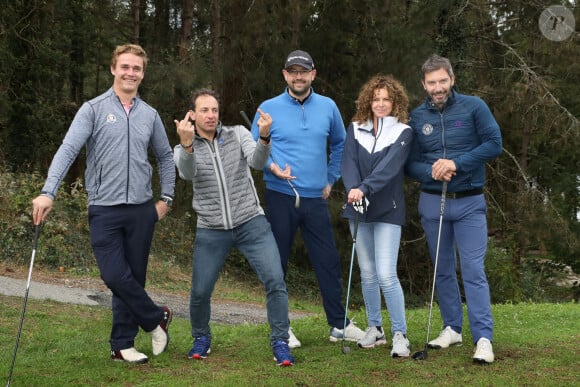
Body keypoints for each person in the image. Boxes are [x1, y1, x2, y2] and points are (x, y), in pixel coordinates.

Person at [32, 44, 175, 364]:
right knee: (114, 276)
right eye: (125, 67)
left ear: (142, 73)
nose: (130, 73)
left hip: (141, 210)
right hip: (104, 209)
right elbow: (68, 149)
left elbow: (166, 157)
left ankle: (122, 344)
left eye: (136, 68)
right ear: (113, 69)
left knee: (133, 279)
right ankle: (156, 318)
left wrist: (166, 198)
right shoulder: (93, 109)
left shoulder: (150, 115)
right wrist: (48, 192)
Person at [251, 50, 364, 348]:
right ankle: (282, 327)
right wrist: (273, 167)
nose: (298, 76)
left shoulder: (327, 107)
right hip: (280, 196)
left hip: (316, 199)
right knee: (278, 265)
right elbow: (253, 149)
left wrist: (329, 179)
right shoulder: (267, 108)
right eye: (293, 71)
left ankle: (338, 325)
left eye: (304, 71)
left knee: (327, 261)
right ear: (284, 75)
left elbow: (341, 145)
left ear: (313, 74)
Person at [173, 89, 294, 366]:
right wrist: (188, 145)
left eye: (214, 110)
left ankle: (280, 341)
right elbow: (187, 174)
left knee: (275, 280)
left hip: (251, 222)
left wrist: (264, 137)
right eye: (204, 110)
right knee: (201, 291)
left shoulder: (237, 133)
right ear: (192, 114)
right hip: (211, 228)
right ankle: (201, 337)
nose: (211, 115)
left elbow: (258, 162)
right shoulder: (182, 147)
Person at [405, 54, 502, 364]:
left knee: (473, 270)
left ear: (452, 79)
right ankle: (452, 327)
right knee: (442, 268)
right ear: (423, 84)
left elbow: (493, 143)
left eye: (442, 81)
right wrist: (431, 170)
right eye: (432, 82)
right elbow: (409, 163)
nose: (438, 87)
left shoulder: (474, 107)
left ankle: (483, 338)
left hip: (470, 201)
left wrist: (457, 164)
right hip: (433, 201)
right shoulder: (417, 117)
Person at [340, 74, 413, 357]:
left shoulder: (403, 132)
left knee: (385, 274)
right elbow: (347, 161)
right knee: (368, 274)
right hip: (358, 209)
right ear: (368, 101)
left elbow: (390, 168)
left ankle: (400, 333)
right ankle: (375, 329)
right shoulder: (355, 128)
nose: (380, 104)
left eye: (386, 99)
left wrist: (364, 188)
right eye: (376, 99)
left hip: (387, 211)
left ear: (395, 103)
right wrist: (353, 189)